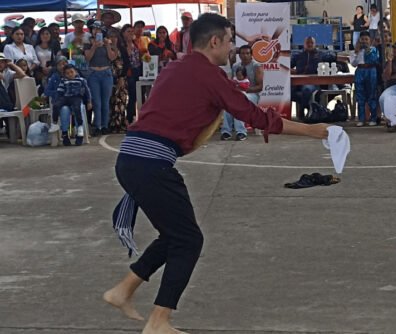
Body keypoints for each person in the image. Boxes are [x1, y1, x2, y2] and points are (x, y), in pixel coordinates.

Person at [102, 14, 330, 333]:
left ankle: (123, 291)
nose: (232, 48)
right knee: (189, 240)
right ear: (214, 42)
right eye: (229, 40)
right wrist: (311, 130)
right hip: (150, 165)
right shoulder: (210, 76)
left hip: (132, 160)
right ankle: (159, 321)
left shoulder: (176, 66)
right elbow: (256, 116)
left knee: (175, 235)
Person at [222, 44, 263, 141]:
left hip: (252, 94)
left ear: (251, 55)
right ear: (239, 55)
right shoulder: (236, 66)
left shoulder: (256, 66)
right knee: (227, 103)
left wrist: (245, 90)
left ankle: (241, 132)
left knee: (239, 102)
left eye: (247, 53)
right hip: (238, 93)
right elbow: (232, 82)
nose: (245, 55)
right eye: (242, 53)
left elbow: (260, 87)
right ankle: (226, 132)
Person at [290, 36, 337, 120]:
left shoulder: (320, 54)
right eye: (308, 43)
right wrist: (294, 71)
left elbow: (333, 57)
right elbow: (287, 66)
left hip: (314, 82)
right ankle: (308, 106)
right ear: (304, 44)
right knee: (287, 92)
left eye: (312, 43)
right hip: (298, 83)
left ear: (315, 44)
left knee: (307, 90)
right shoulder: (298, 55)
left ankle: (303, 109)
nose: (310, 45)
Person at [85, 23, 118, 135]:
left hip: (106, 73)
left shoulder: (107, 42)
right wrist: (94, 46)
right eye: (94, 29)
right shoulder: (88, 43)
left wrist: (108, 45)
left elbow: (112, 57)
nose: (96, 31)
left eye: (99, 29)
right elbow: (87, 58)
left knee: (105, 101)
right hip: (93, 73)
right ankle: (97, 125)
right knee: (96, 102)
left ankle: (105, 125)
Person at [49, 64, 91, 146]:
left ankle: (79, 129)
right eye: (67, 73)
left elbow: (87, 91)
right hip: (66, 98)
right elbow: (59, 92)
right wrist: (57, 101)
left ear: (75, 72)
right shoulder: (63, 81)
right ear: (64, 74)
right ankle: (57, 126)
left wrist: (89, 101)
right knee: (58, 106)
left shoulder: (81, 80)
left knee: (77, 108)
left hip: (76, 98)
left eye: (71, 72)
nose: (70, 74)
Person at [351, 31, 379, 126]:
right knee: (360, 95)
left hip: (371, 71)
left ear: (370, 40)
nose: (364, 42)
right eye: (362, 39)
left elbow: (375, 60)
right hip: (360, 70)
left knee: (372, 95)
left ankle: (373, 118)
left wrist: (368, 52)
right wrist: (356, 52)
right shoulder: (356, 50)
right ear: (359, 40)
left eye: (366, 39)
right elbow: (353, 64)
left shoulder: (374, 49)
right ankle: (361, 119)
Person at [108, 29, 128, 134]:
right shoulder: (106, 49)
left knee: (120, 101)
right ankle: (110, 125)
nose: (113, 39)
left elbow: (126, 64)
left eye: (115, 37)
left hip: (120, 78)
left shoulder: (122, 49)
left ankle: (119, 124)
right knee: (110, 102)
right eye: (110, 36)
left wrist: (121, 77)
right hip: (109, 78)